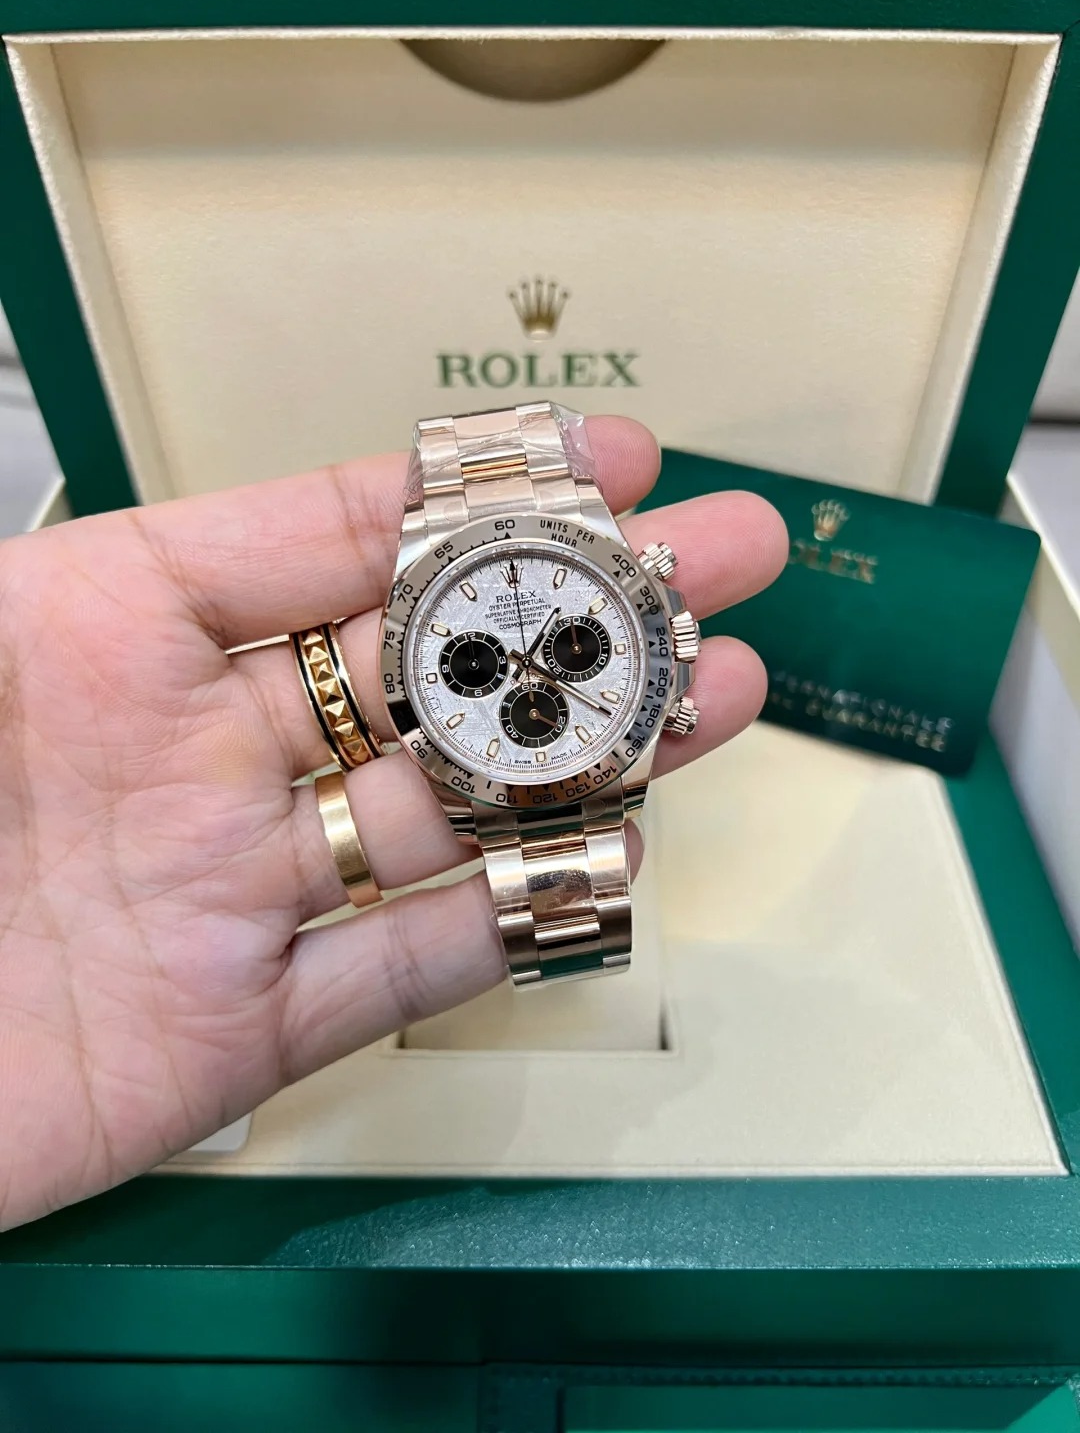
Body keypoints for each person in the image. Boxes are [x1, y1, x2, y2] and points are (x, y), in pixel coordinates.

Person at [0, 416, 786, 1231]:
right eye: (484, 663)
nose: (521, 665)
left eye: (575, 645)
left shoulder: (619, 645)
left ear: (666, 634)